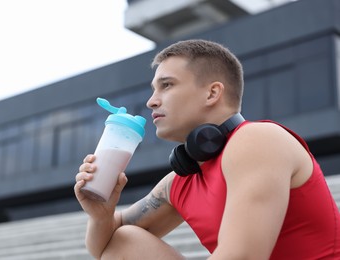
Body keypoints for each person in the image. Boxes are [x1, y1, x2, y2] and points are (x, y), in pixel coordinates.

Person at [74, 39, 340, 259]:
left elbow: (242, 257)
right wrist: (101, 215)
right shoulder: (179, 182)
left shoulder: (258, 140)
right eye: (154, 89)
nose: (151, 102)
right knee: (124, 239)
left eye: (166, 85)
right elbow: (109, 249)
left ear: (212, 93)